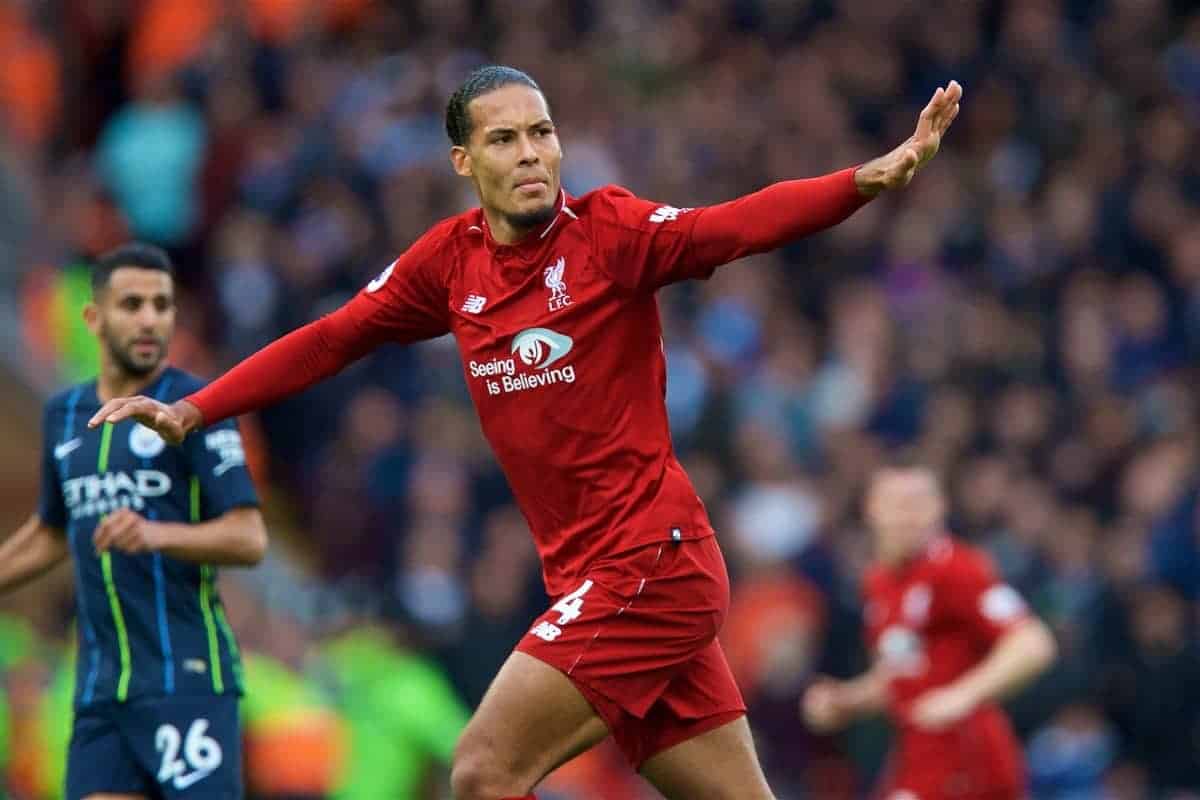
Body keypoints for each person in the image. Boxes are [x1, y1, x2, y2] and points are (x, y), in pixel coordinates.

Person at [89, 66, 962, 800]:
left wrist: (863, 182)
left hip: (651, 562)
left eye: (542, 133)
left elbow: (729, 226)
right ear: (464, 160)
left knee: (480, 771)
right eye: (504, 140)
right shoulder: (451, 262)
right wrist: (197, 408)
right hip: (589, 574)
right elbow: (333, 337)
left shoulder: (610, 234)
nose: (532, 154)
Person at [1, 243, 267, 799]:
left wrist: (154, 534)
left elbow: (249, 537)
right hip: (101, 691)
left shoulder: (198, 403)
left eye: (161, 305)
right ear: (94, 318)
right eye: (132, 304)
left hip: (187, 681)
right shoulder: (63, 414)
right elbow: (53, 531)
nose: (150, 319)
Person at [801, 464, 1057, 800]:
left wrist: (963, 695)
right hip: (918, 756)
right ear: (872, 509)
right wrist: (846, 700)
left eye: (920, 503)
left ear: (940, 508)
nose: (910, 516)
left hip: (968, 757)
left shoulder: (957, 569)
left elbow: (1032, 643)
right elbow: (903, 674)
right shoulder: (878, 583)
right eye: (898, 503)